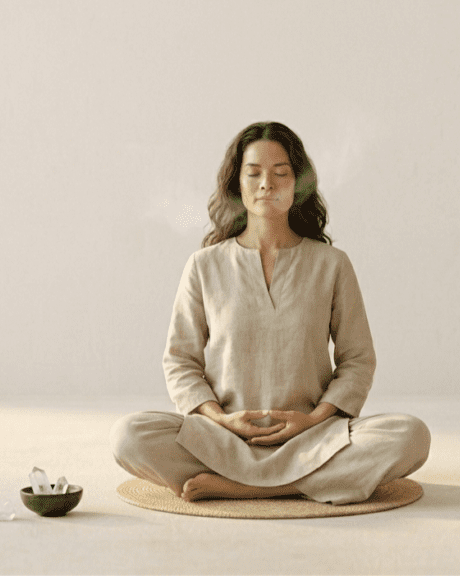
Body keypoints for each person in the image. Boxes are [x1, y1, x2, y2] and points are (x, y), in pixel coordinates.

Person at [111, 121, 430, 504]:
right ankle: (309, 485)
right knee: (129, 435)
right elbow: (180, 362)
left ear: (298, 185)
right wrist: (220, 419)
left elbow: (358, 360)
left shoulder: (332, 264)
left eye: (281, 173)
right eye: (254, 173)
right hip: (224, 440)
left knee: (410, 435)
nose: (267, 184)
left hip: (311, 440)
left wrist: (312, 420)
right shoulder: (204, 266)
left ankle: (252, 487)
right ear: (237, 186)